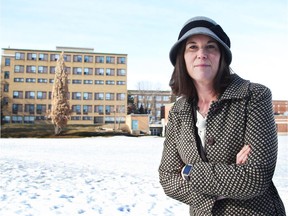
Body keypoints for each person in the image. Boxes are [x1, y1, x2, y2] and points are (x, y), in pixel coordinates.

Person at [158, 16, 286, 215]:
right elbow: (167, 177)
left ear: (222, 57)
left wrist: (188, 172)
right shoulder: (178, 111)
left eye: (211, 47)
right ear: (181, 57)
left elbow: (256, 177)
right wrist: (230, 177)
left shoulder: (254, 97)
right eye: (192, 47)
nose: (202, 54)